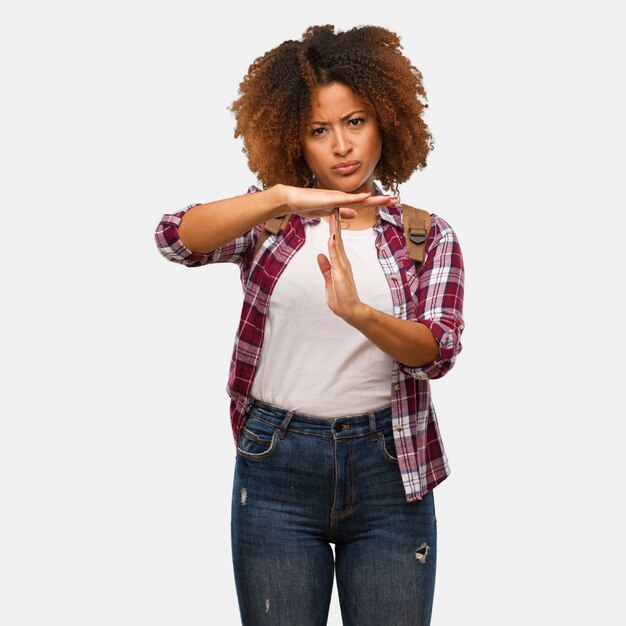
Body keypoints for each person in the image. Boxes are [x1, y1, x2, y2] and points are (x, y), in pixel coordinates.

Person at [155, 24, 465, 626]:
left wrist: (359, 314)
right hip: (277, 467)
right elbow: (173, 239)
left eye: (356, 122)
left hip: (389, 473)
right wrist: (280, 199)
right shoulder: (270, 223)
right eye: (319, 130)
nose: (342, 146)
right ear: (295, 138)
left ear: (386, 123)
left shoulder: (425, 236)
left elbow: (437, 352)